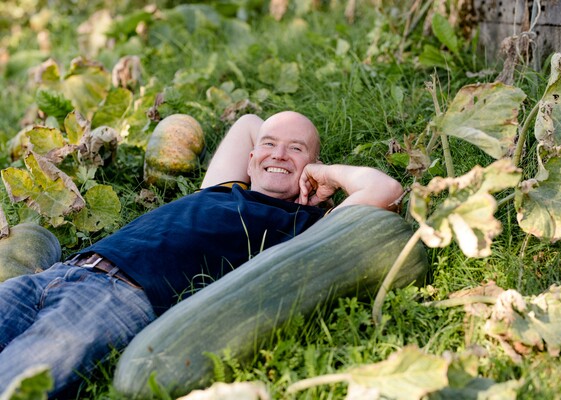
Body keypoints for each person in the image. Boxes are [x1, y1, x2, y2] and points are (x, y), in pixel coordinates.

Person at [0, 111, 403, 396]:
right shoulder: (223, 188)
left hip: (120, 296)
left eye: (295, 150)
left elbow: (386, 192)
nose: (279, 154)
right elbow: (248, 126)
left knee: (12, 382)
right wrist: (275, 148)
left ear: (311, 166)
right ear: (250, 159)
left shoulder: (302, 228)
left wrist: (327, 174)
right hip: (55, 273)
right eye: (270, 146)